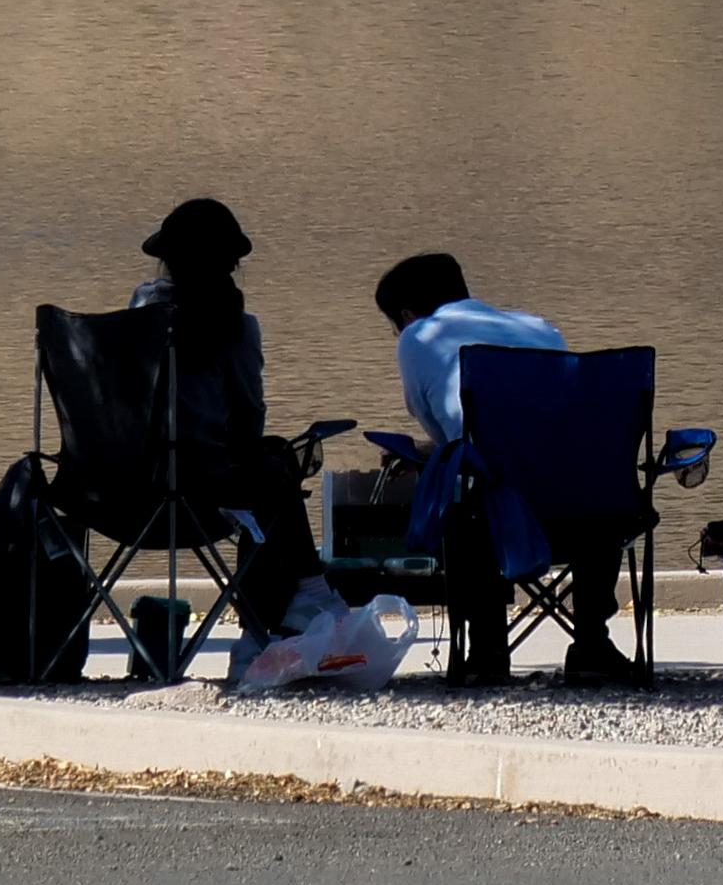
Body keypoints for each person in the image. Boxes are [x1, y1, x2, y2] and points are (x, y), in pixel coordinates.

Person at [373, 250, 641, 688]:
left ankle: (486, 652)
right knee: (578, 483)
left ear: (405, 314)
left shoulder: (419, 337)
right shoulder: (540, 329)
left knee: (468, 495)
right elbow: (550, 421)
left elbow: (450, 438)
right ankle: (592, 643)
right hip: (591, 516)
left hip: (500, 519)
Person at [133, 197, 337, 654]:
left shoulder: (136, 313)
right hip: (195, 494)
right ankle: (289, 610)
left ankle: (285, 616)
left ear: (167, 261)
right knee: (273, 461)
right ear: (231, 264)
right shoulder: (238, 327)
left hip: (113, 492)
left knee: (265, 474)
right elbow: (248, 418)